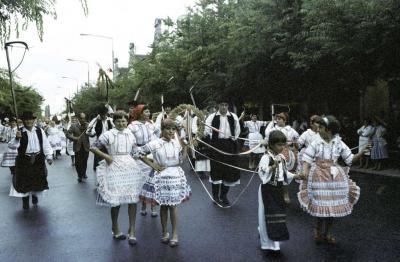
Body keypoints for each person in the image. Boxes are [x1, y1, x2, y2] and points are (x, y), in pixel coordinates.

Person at [298, 115, 369, 244]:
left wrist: (362, 152)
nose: (318, 130)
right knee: (320, 205)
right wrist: (304, 171)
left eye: (320, 127)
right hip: (318, 177)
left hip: (334, 177)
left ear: (329, 130)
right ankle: (318, 231)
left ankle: (328, 232)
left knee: (332, 208)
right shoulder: (316, 142)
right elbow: (307, 159)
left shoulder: (339, 143)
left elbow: (349, 159)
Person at [90, 111, 145, 245]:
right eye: (118, 121)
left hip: (130, 166)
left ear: (127, 122)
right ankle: (115, 227)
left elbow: (135, 150)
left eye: (124, 121)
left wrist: (148, 158)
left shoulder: (130, 134)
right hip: (114, 167)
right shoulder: (108, 134)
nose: (121, 123)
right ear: (114, 122)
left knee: (133, 199)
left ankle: (131, 231)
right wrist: (107, 156)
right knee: (116, 201)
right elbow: (93, 147)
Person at [138, 119, 191, 247]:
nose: (171, 131)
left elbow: (180, 160)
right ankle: (164, 232)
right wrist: (153, 165)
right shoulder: (155, 143)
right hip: (161, 175)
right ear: (162, 129)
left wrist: (185, 148)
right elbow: (139, 153)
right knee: (163, 205)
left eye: (173, 129)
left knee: (173, 206)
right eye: (168, 129)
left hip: (175, 176)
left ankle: (174, 234)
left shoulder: (176, 143)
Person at [258, 130, 304, 255]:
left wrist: (296, 176)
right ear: (271, 144)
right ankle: (267, 243)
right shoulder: (266, 157)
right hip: (267, 190)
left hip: (277, 189)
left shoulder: (282, 157)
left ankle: (275, 242)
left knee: (277, 214)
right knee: (266, 215)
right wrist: (271, 168)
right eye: (279, 145)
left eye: (283, 144)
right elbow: (262, 174)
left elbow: (284, 174)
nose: (282, 147)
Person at [9, 111, 53, 210]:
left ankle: (34, 195)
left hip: (38, 158)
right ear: (23, 121)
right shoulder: (18, 131)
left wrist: (49, 156)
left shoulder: (39, 130)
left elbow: (45, 144)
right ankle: (25, 201)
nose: (28, 121)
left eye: (30, 119)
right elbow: (11, 146)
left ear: (34, 120)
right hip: (24, 160)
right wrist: (16, 138)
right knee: (24, 181)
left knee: (36, 179)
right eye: (26, 120)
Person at [204, 99, 241, 206]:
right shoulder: (212, 117)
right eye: (222, 105)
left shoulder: (233, 116)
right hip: (217, 146)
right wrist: (213, 139)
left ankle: (223, 196)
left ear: (228, 106)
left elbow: (237, 130)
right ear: (218, 106)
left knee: (229, 171)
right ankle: (215, 196)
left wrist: (234, 138)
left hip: (230, 146)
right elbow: (207, 130)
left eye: (226, 105)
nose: (224, 107)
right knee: (216, 170)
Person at [128, 104, 160, 217]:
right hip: (139, 156)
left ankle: (153, 206)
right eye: (146, 112)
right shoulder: (132, 126)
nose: (148, 114)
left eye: (148, 111)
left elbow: (158, 134)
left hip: (151, 153)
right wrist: (137, 151)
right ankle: (143, 205)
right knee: (143, 182)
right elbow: (130, 141)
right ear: (140, 113)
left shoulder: (151, 124)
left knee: (153, 181)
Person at [264, 112, 299, 203]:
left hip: (286, 154)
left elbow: (297, 139)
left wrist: (293, 146)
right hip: (274, 152)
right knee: (274, 172)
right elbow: (267, 134)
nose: (278, 120)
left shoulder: (290, 130)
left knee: (285, 174)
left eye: (280, 119)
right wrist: (271, 123)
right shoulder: (273, 129)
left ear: (285, 120)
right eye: (277, 118)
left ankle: (285, 193)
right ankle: (273, 192)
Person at [86, 103, 115, 171]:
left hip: (110, 142)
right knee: (99, 162)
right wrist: (90, 130)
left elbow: (115, 129)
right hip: (99, 142)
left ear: (106, 113)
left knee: (110, 161)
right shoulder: (95, 120)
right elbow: (89, 132)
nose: (103, 116)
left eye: (104, 114)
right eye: (101, 114)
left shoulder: (110, 120)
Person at [66, 113, 90, 183]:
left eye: (84, 118)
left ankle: (84, 173)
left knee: (85, 161)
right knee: (78, 162)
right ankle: (79, 175)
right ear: (78, 118)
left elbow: (92, 134)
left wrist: (91, 132)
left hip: (86, 146)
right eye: (81, 118)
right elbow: (68, 134)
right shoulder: (73, 126)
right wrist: (74, 138)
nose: (83, 120)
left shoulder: (88, 125)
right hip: (77, 146)